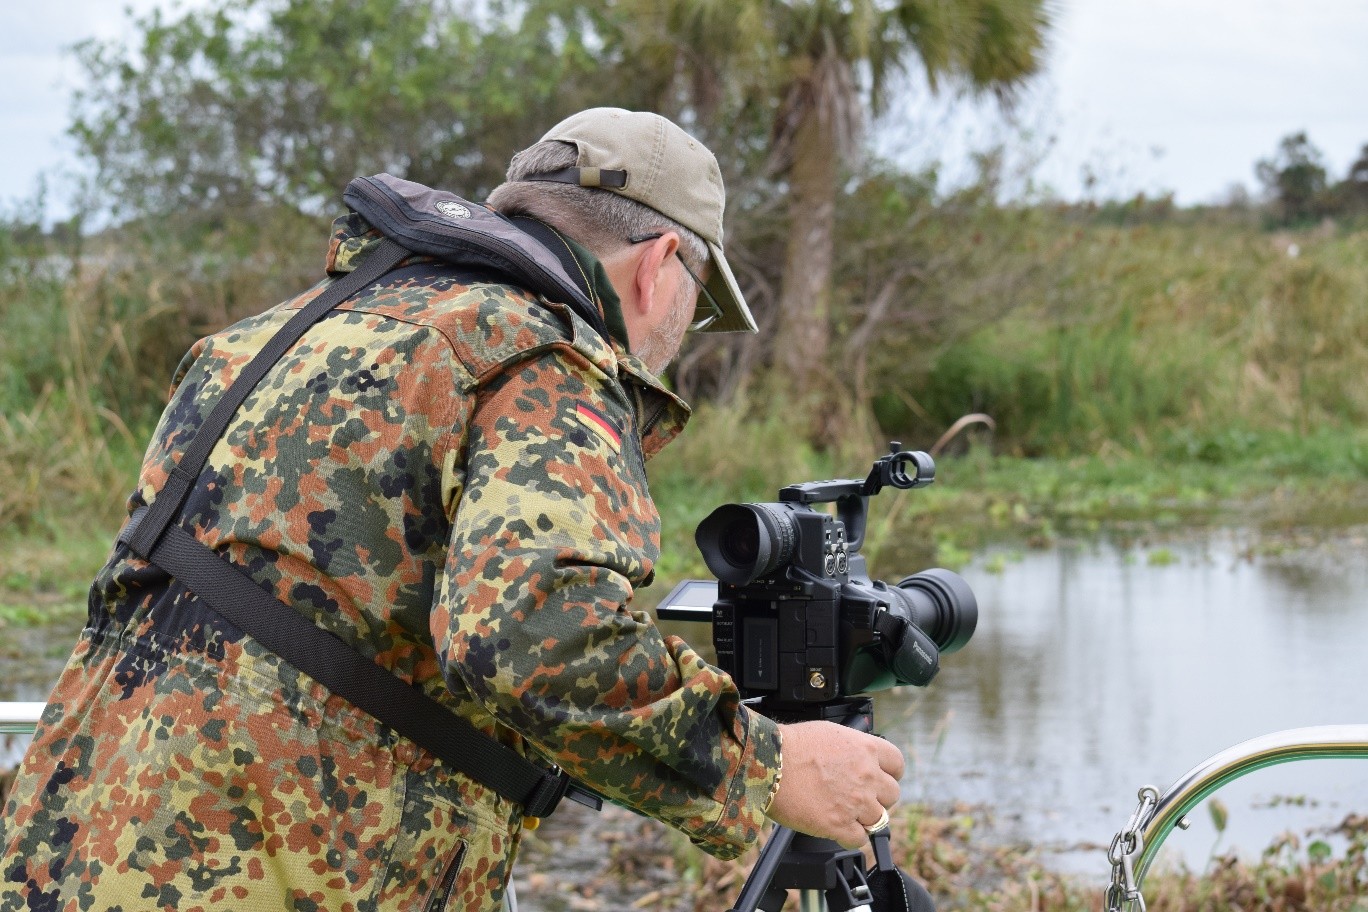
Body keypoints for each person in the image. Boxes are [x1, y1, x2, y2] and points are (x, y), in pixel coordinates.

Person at [0, 108, 902, 912]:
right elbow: (537, 641)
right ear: (662, 266)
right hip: (277, 872)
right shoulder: (539, 363)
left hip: (68, 846)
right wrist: (772, 766)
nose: (677, 336)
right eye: (697, 309)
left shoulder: (266, 338)